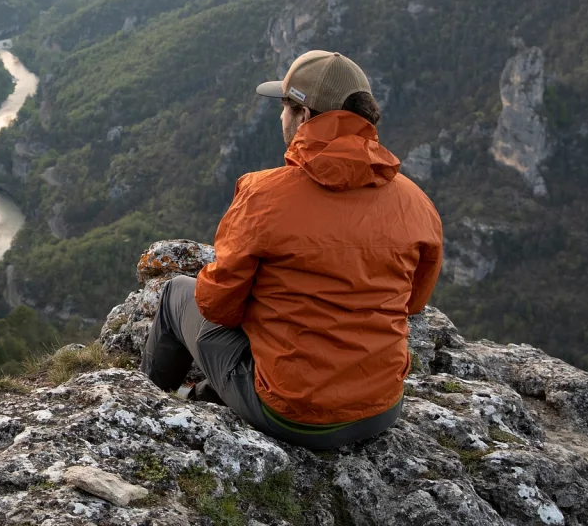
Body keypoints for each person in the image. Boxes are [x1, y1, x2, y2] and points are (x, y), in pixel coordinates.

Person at [143, 50, 443, 449]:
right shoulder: (417, 203)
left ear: (303, 116)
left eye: (284, 105)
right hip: (380, 408)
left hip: (294, 414)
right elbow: (414, 302)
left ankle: (145, 411)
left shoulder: (264, 194)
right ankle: (206, 398)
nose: (280, 116)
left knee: (176, 294)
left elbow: (218, 306)